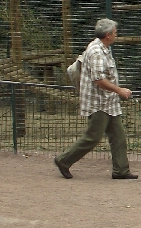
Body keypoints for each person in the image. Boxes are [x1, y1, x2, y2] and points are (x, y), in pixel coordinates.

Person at [54, 18, 136, 180]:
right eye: (115, 33)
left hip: (109, 102)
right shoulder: (97, 52)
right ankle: (63, 160)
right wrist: (119, 90)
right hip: (98, 102)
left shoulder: (101, 47)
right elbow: (98, 80)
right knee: (93, 137)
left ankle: (121, 170)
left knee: (118, 136)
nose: (116, 35)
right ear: (108, 35)